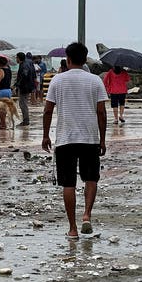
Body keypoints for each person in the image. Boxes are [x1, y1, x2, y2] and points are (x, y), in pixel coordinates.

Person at [42, 42, 108, 239]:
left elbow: (47, 110)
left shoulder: (58, 80)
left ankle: (72, 228)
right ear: (85, 58)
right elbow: (102, 112)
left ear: (68, 59)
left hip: (65, 138)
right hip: (89, 138)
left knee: (68, 184)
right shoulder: (95, 80)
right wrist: (102, 140)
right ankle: (87, 215)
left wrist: (45, 135)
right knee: (91, 178)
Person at [14, 52, 35, 127]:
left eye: (16, 57)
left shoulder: (24, 65)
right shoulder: (25, 63)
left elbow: (24, 76)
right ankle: (25, 120)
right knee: (23, 103)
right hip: (26, 86)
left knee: (23, 104)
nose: (15, 59)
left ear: (19, 58)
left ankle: (26, 120)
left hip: (24, 87)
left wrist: (17, 85)